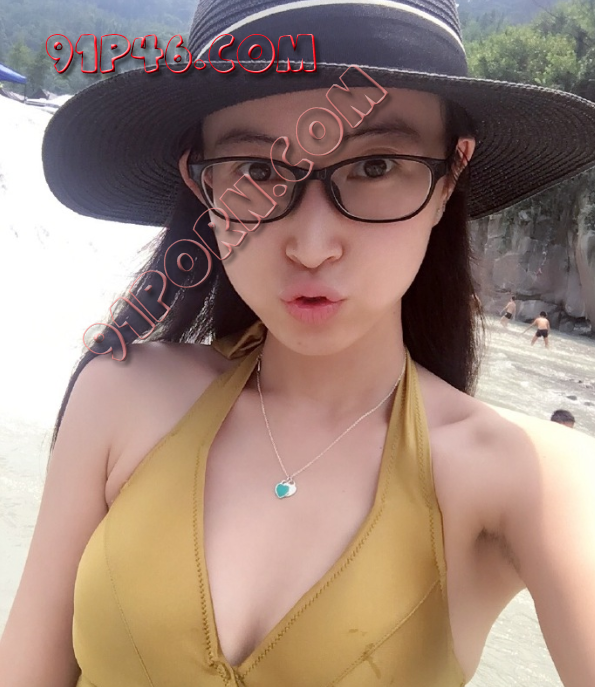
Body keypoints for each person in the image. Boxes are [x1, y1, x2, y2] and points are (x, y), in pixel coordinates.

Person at [2, 1, 595, 686]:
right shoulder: (119, 395)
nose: (311, 247)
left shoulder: (530, 478)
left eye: (375, 165)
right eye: (258, 170)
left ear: (450, 174)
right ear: (202, 181)